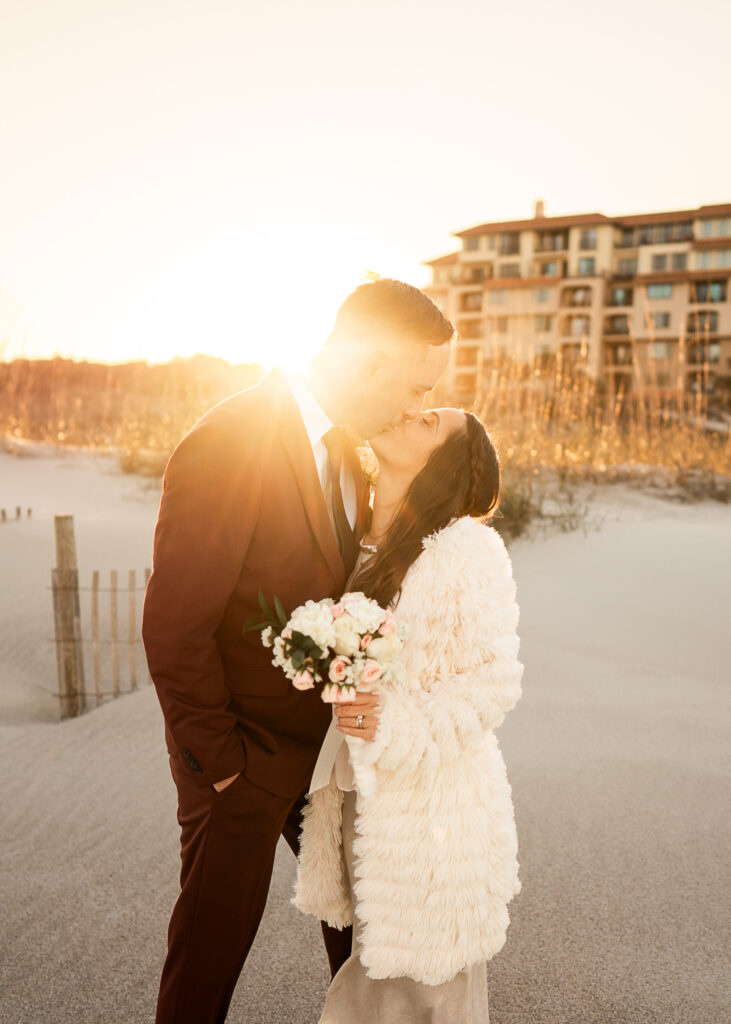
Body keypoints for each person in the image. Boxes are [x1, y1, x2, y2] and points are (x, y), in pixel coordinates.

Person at [141, 278, 453, 1024]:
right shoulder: (229, 440)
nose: (416, 407)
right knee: (213, 947)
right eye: (415, 387)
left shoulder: (350, 451)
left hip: (325, 756)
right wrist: (218, 764)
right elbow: (174, 623)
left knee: (366, 929)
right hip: (239, 759)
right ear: (367, 363)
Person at [293, 408, 523, 1023]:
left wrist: (392, 729)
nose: (407, 413)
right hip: (354, 795)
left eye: (428, 422)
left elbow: (492, 682)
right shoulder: (350, 528)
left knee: (427, 993)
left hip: (432, 806)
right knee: (378, 974)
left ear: (440, 464)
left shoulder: (466, 549)